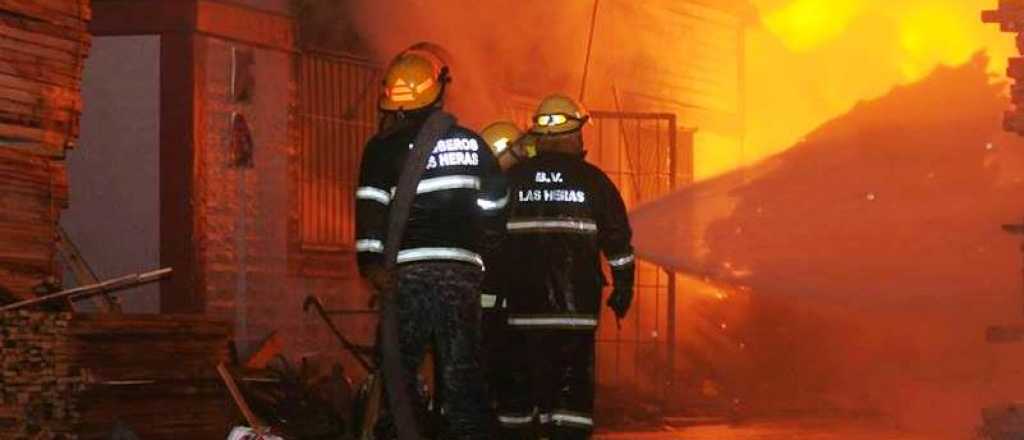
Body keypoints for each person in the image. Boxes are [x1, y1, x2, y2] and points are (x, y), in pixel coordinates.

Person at [355, 43, 506, 440]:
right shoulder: (473, 144)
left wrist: (371, 265)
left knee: (398, 370)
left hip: (406, 276)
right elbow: (496, 204)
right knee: (462, 373)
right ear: (436, 90)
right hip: (460, 274)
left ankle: (400, 432)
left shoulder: (381, 148)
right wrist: (484, 254)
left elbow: (370, 210)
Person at [496, 94, 635, 439]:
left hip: (520, 311)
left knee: (520, 389)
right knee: (571, 393)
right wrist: (623, 287)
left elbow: (489, 239)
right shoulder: (595, 182)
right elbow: (618, 243)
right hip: (576, 313)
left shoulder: (511, 180)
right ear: (574, 135)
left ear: (538, 138)